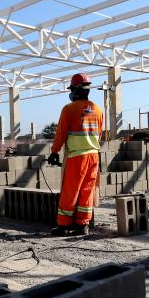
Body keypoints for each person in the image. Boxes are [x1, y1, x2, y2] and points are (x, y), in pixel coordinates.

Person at [48, 73, 103, 236]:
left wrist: (54, 152)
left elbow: (60, 133)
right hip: (94, 156)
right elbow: (99, 134)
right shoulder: (98, 109)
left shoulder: (69, 109)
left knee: (70, 191)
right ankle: (82, 226)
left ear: (76, 90)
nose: (70, 93)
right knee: (87, 191)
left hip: (76, 157)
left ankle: (64, 226)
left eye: (71, 89)